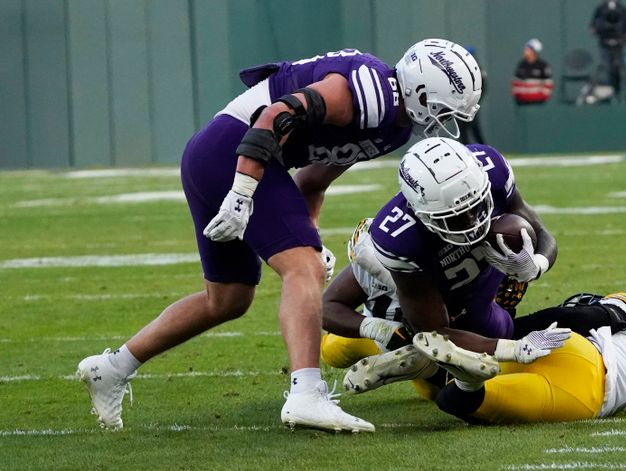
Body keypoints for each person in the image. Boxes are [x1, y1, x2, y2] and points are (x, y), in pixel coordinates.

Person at [75, 39, 483, 433]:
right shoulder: (370, 90)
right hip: (232, 152)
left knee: (229, 298)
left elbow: (313, 180)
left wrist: (313, 236)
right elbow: (275, 116)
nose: (441, 123)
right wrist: (241, 193)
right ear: (420, 90)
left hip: (222, 156)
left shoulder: (391, 127)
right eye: (441, 110)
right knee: (302, 268)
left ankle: (111, 369)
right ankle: (306, 393)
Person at [340, 137, 563, 394]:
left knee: (485, 338)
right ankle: (423, 366)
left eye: (476, 207)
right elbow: (433, 332)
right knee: (446, 372)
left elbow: (541, 233)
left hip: (467, 302)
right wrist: (512, 349)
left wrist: (536, 264)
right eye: (454, 217)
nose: (471, 222)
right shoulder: (399, 239)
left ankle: (422, 366)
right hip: (416, 316)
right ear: (421, 212)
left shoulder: (492, 169)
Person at [320, 217, 530, 399]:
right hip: (413, 328)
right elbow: (326, 308)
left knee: (335, 348)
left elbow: (439, 330)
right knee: (334, 348)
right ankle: (427, 367)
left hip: (454, 329)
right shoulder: (381, 262)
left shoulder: (425, 257)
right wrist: (379, 329)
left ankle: (427, 368)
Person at [414, 291, 626, 424]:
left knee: (457, 393)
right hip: (579, 394)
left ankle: (444, 371)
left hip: (572, 353)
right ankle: (466, 379)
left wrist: (496, 336)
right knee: (456, 399)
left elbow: (571, 318)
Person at [589, 0, 626, 103]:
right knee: (606, 70)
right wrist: (599, 29)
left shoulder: (623, 9)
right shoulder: (600, 9)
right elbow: (593, 27)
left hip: (621, 44)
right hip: (605, 44)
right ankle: (608, 97)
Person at [511, 39, 553, 105]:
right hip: (522, 103)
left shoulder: (543, 66)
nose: (525, 51)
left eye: (528, 50)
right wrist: (519, 98)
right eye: (525, 49)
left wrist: (540, 98)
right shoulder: (521, 65)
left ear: (534, 52)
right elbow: (515, 84)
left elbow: (548, 85)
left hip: (538, 103)